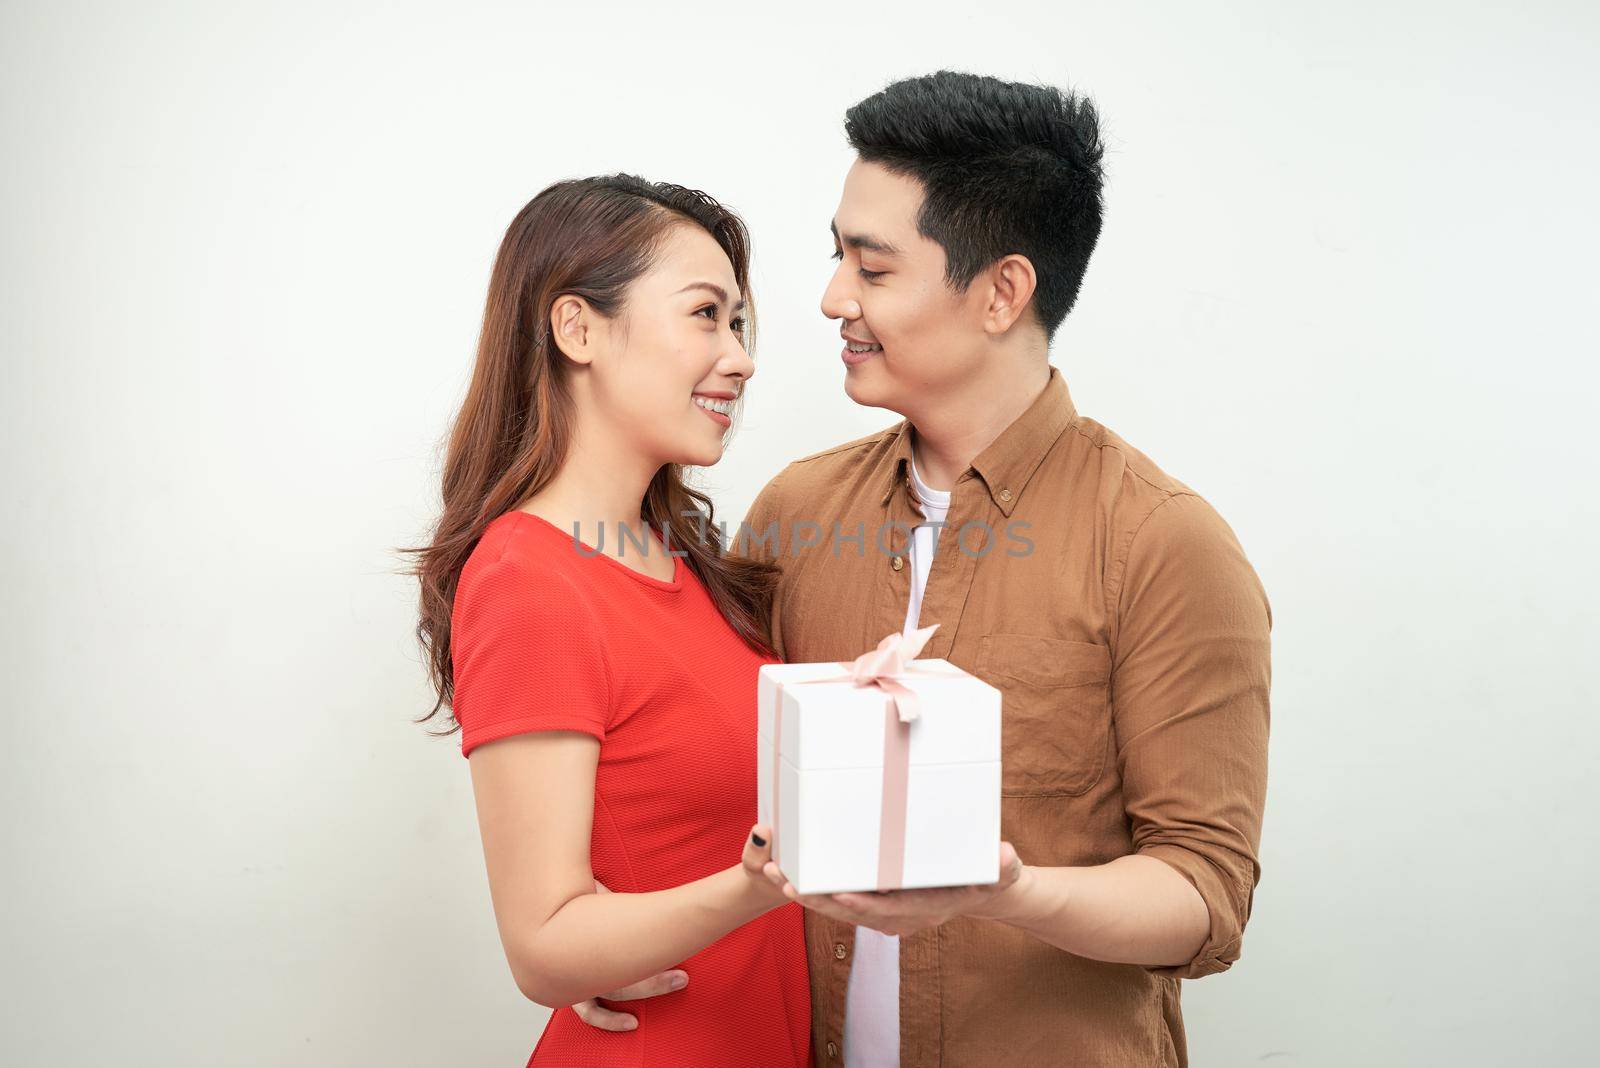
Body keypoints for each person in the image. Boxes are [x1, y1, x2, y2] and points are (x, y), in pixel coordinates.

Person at [577, 71, 1273, 1067]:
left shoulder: (1163, 545)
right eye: (837, 259)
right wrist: (607, 937)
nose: (829, 300)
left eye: (873, 269)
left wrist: (1004, 892)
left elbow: (1203, 898)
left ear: (1000, 293)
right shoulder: (795, 515)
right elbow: (713, 769)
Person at [410, 174, 810, 1066]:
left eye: (738, 323)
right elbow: (546, 945)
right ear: (576, 329)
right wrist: (759, 887)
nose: (740, 356)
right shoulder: (528, 578)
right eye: (704, 315)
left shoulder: (684, 560)